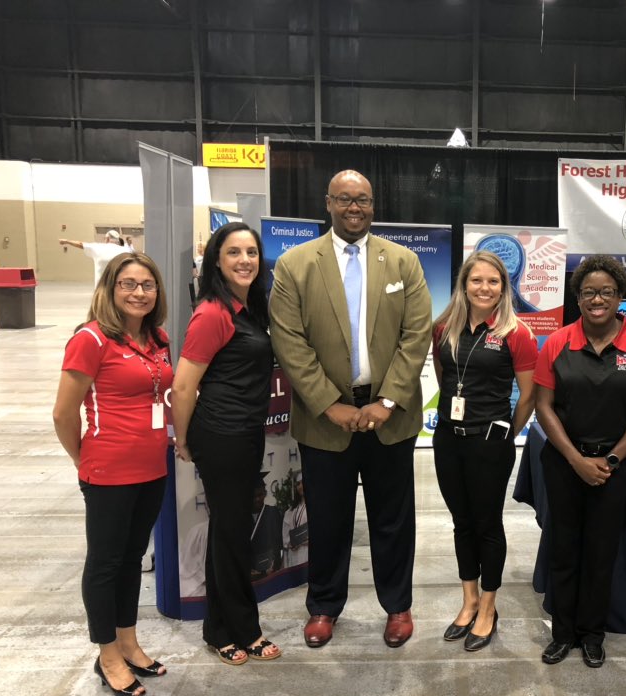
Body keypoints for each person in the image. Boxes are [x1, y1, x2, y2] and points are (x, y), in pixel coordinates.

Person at [269, 169, 432, 649]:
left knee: (393, 520)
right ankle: (323, 607)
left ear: (373, 205)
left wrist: (386, 401)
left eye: (361, 199)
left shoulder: (403, 262)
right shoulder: (295, 264)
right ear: (328, 203)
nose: (353, 207)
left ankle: (397, 606)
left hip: (391, 418)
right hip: (324, 423)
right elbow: (289, 341)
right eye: (344, 199)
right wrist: (328, 405)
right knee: (327, 519)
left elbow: (415, 336)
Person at [534, 256, 626, 668]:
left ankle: (593, 634)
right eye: (589, 292)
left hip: (615, 466)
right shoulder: (558, 342)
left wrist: (610, 458)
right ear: (577, 298)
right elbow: (543, 406)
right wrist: (575, 459)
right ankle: (563, 633)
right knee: (564, 549)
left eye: (606, 292)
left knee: (601, 552)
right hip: (564, 464)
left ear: (620, 297)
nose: (597, 299)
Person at [52, 251, 173, 696]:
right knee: (105, 564)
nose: (139, 292)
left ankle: (129, 641)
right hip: (108, 471)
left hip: (151, 468)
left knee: (131, 559)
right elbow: (64, 413)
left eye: (147, 284)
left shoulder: (156, 338)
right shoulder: (90, 339)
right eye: (128, 284)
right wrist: (85, 459)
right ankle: (106, 654)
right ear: (110, 288)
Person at [171, 222, 282, 666]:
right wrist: (184, 440)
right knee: (233, 535)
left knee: (228, 532)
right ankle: (244, 629)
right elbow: (183, 387)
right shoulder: (212, 313)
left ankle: (219, 629)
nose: (244, 261)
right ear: (216, 259)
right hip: (221, 435)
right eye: (234, 252)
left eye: (252, 252)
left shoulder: (246, 308)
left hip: (245, 433)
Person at [432, 251, 538, 652]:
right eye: (476, 280)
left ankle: (489, 608)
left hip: (490, 440)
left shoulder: (517, 333)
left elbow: (528, 395)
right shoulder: (443, 328)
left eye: (493, 281)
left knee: (487, 524)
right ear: (464, 285)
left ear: (503, 287)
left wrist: (508, 432)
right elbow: (445, 382)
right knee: (461, 522)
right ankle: (469, 600)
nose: (484, 288)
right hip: (448, 437)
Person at [60, 230, 129, 288]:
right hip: (119, 287)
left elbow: (81, 244)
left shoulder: (98, 247)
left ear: (107, 239)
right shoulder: (126, 250)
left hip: (101, 288)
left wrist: (67, 241)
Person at [250, 473, 283, 579]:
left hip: (270, 573)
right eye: (253, 496)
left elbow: (279, 542)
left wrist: (275, 564)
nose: (257, 499)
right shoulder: (243, 518)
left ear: (265, 493)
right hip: (250, 575)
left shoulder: (272, 512)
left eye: (260, 495)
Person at [282, 471, 309, 569]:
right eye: (298, 484)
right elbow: (285, 535)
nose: (301, 486)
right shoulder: (290, 511)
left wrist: (302, 541)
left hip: (308, 553)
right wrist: (290, 543)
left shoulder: (317, 508)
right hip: (293, 554)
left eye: (303, 482)